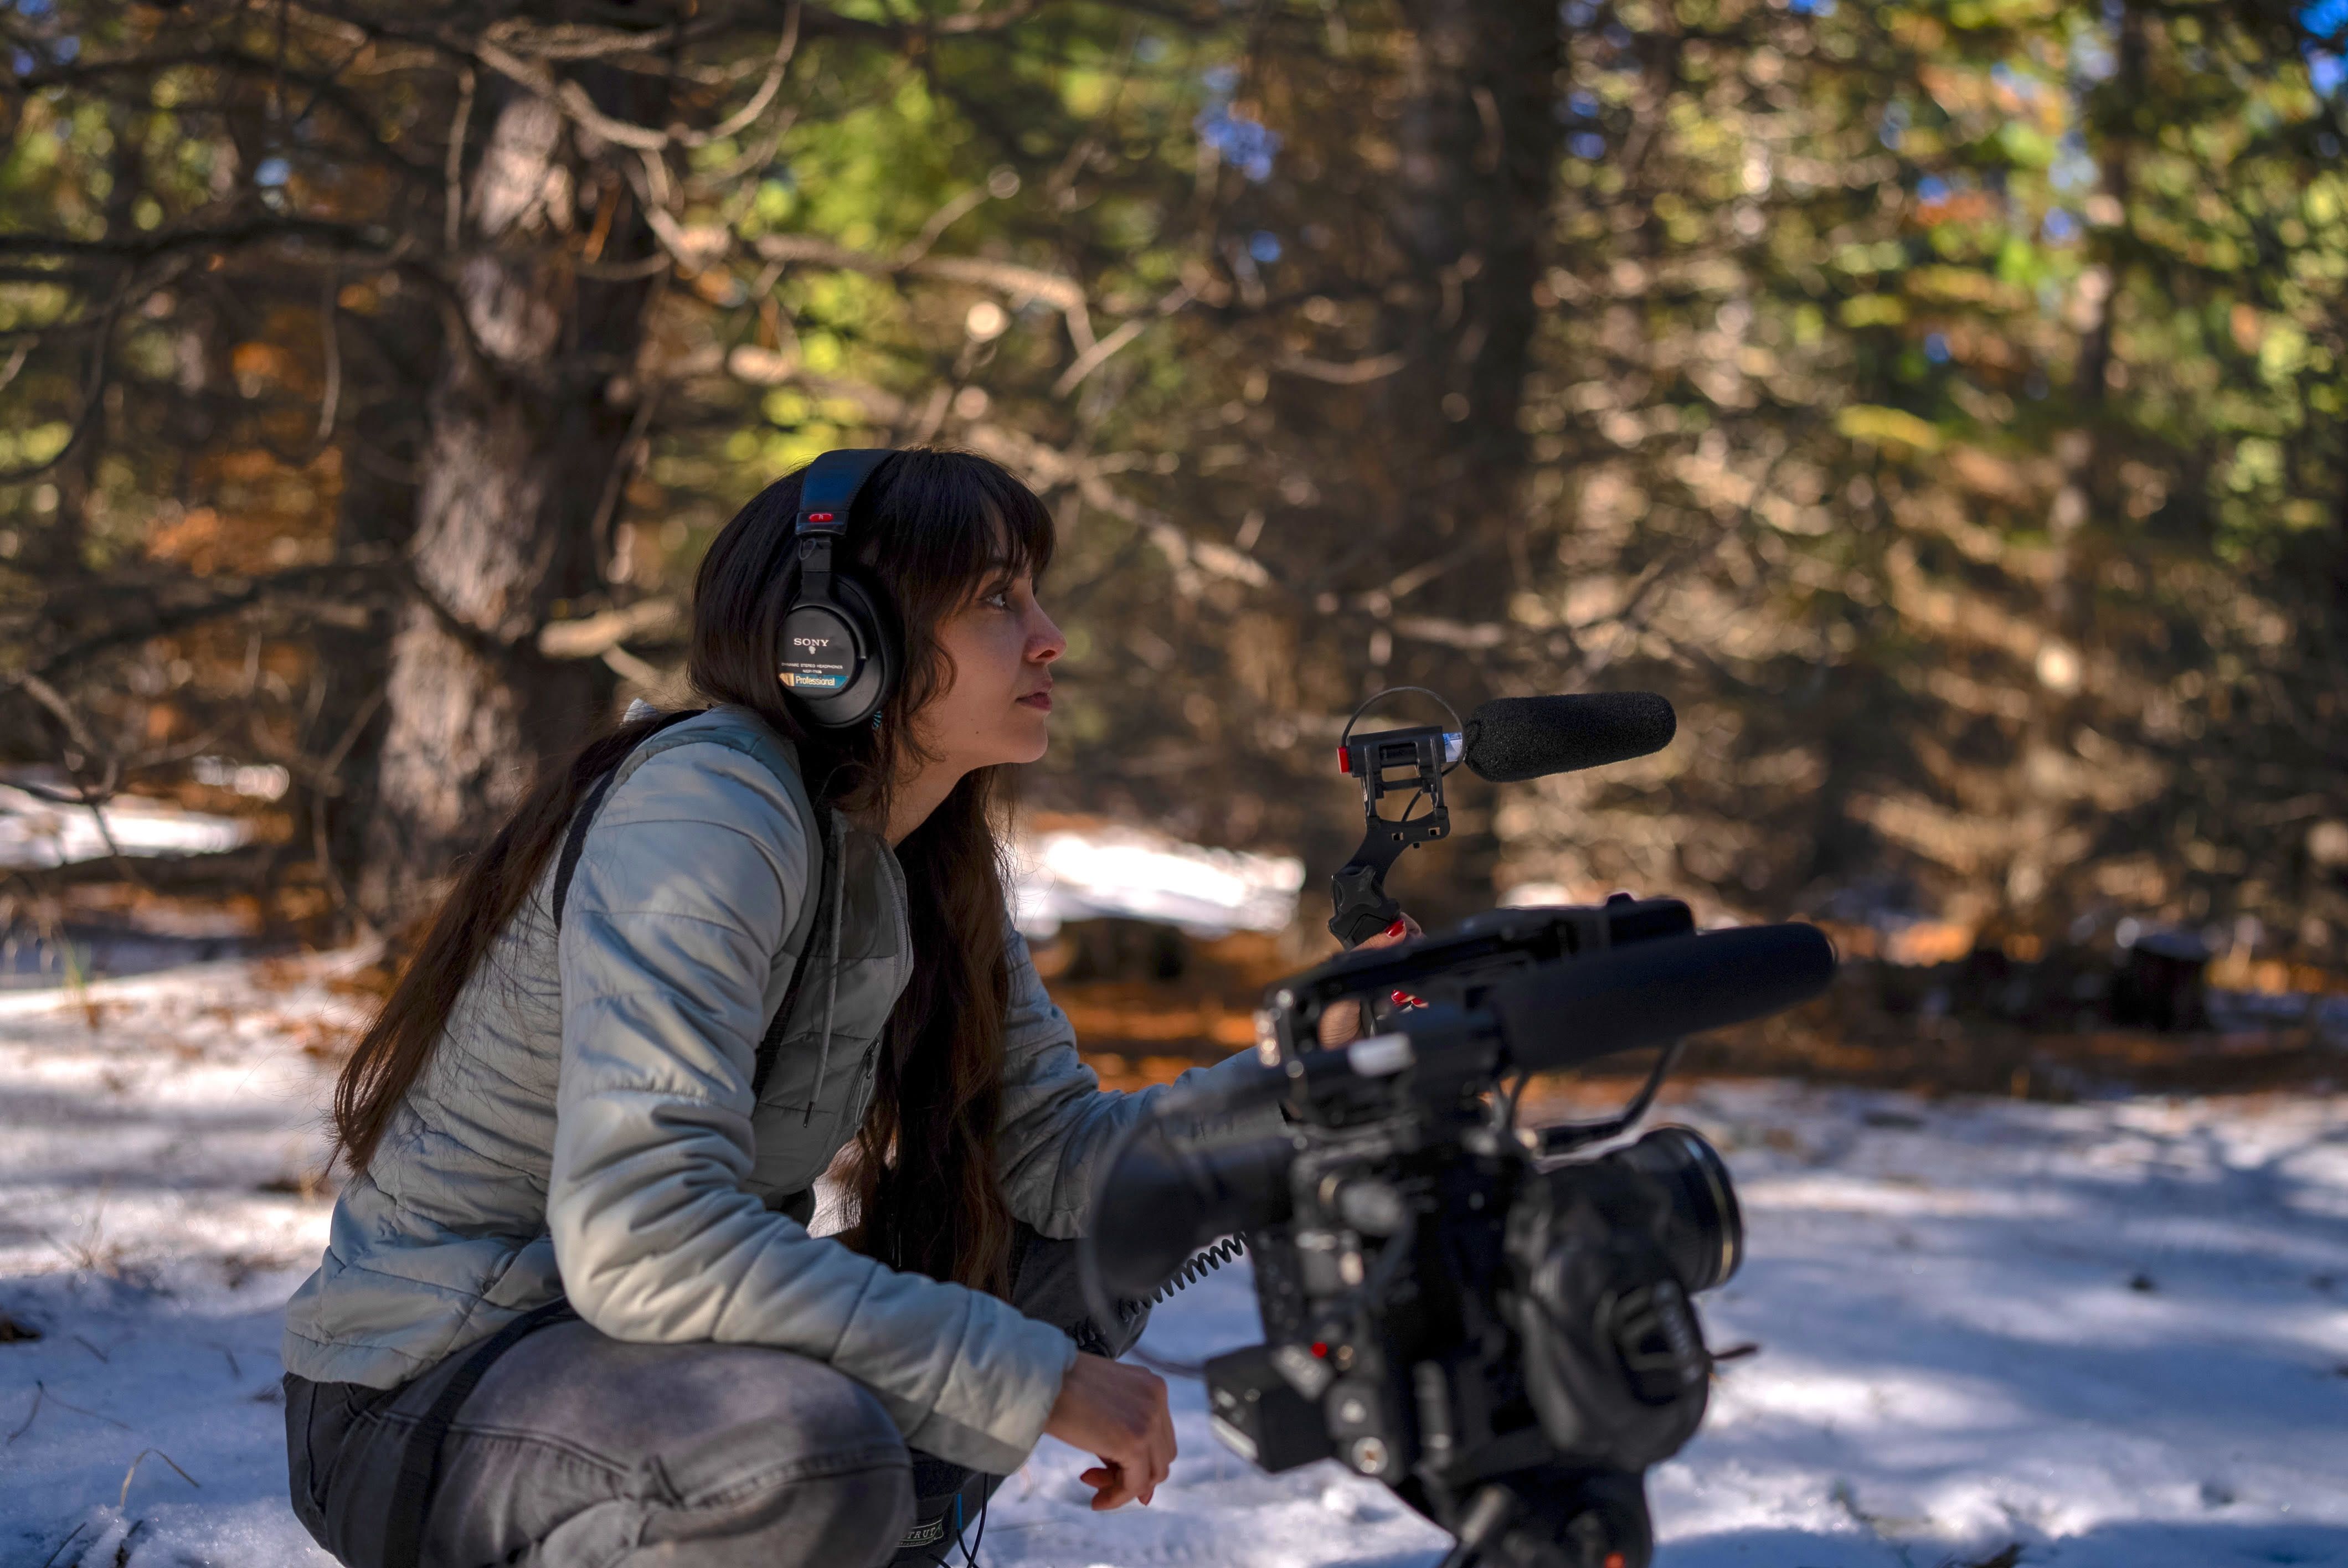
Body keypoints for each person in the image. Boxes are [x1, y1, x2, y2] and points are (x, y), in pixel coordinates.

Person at [280, 448, 1415, 1568]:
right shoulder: (707, 809)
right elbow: (643, 1236)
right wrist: (1033, 1376)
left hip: (647, 1373)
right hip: (431, 1390)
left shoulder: (919, 860)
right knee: (809, 1458)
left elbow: (1061, 1164)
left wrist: (1318, 1081)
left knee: (1106, 1230)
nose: (1047, 635)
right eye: (993, 599)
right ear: (834, 645)